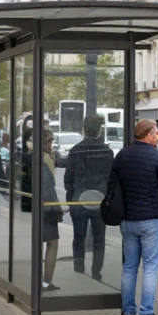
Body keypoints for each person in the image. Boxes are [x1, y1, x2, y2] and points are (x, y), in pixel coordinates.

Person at [109, 119, 158, 315]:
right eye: (157, 134)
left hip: (128, 220)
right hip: (151, 220)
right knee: (150, 267)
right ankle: (147, 314)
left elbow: (112, 186)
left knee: (129, 267)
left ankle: (129, 313)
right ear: (149, 135)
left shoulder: (122, 155)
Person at [64, 115, 114, 281]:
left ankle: (79, 268)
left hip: (79, 199)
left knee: (78, 237)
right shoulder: (107, 151)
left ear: (83, 130)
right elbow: (111, 178)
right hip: (100, 201)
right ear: (99, 132)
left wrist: (71, 199)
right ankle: (96, 272)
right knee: (99, 239)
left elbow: (68, 178)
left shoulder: (75, 150)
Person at [42, 131, 63, 292]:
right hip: (46, 209)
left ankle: (40, 281)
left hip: (33, 207)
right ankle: (46, 281)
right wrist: (57, 210)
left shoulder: (30, 157)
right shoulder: (44, 159)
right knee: (52, 243)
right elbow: (49, 188)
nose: (51, 145)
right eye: (49, 141)